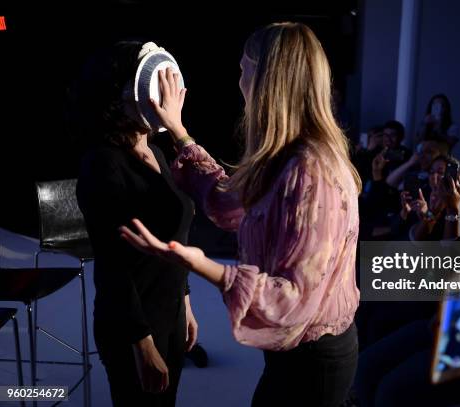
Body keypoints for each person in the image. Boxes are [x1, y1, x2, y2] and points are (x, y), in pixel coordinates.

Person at [120, 22, 361, 407]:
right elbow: (227, 202)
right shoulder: (283, 156)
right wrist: (179, 132)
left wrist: (203, 265)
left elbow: (293, 300)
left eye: (244, 70)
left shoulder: (312, 172)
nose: (239, 81)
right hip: (294, 356)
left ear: (269, 81)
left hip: (314, 361)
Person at [76, 41, 198, 406]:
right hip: (133, 324)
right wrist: (142, 344)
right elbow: (113, 263)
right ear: (122, 96)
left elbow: (175, 232)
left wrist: (185, 300)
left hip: (169, 309)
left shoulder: (157, 153)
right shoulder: (103, 164)